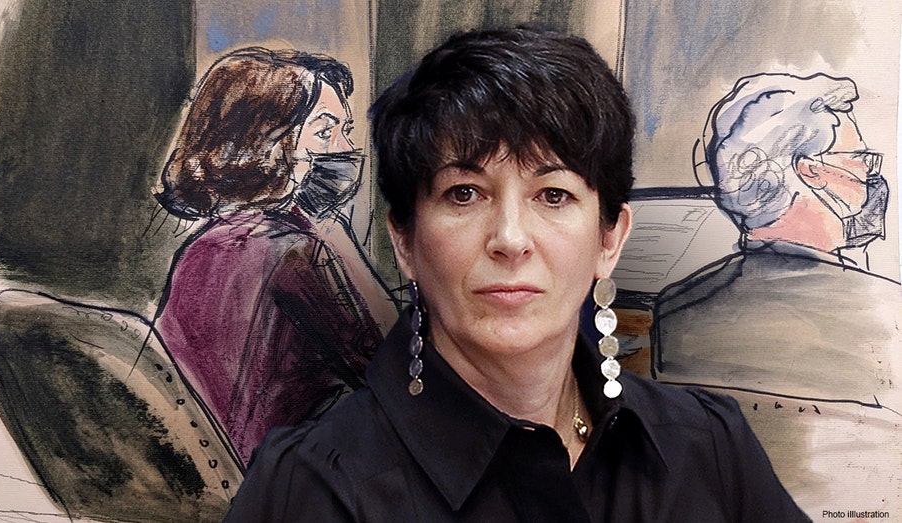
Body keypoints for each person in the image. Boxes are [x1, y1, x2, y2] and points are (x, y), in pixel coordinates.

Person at [224, 27, 809, 521]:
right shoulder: (308, 486)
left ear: (609, 239)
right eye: (464, 193)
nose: (509, 239)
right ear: (405, 241)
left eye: (553, 195)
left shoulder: (710, 446)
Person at [154, 47, 399, 466]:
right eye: (325, 132)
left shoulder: (202, 248)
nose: (346, 147)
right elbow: (400, 375)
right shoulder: (293, 251)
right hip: (280, 482)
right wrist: (332, 233)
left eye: (345, 130)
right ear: (266, 144)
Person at [654, 73, 900, 403]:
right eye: (861, 157)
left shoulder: (674, 308)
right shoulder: (886, 313)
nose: (869, 172)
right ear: (811, 170)